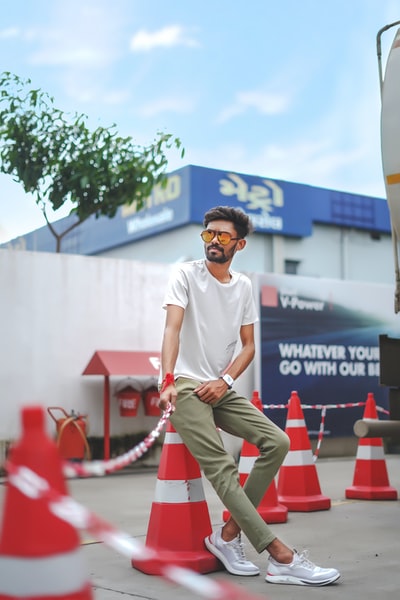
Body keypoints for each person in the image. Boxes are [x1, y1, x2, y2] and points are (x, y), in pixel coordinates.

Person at [158, 205, 340, 587]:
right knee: (223, 466)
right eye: (208, 234)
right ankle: (281, 556)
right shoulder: (185, 275)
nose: (213, 241)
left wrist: (225, 380)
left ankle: (225, 538)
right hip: (186, 384)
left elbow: (248, 347)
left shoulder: (242, 286)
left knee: (277, 441)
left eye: (223, 236)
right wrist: (168, 380)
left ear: (239, 244)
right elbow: (172, 328)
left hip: (220, 384)